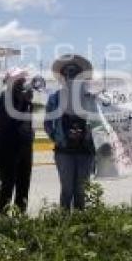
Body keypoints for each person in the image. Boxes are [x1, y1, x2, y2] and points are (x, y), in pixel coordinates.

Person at [44, 55, 98, 210]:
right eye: (68, 72)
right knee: (67, 190)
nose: (71, 75)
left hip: (85, 151)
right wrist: (57, 137)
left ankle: (80, 227)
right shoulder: (55, 98)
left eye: (75, 72)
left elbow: (99, 121)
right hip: (64, 151)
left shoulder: (90, 97)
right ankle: (64, 226)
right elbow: (48, 122)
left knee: (81, 191)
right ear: (63, 76)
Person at [0, 68, 34, 215]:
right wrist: (22, 101)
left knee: (24, 183)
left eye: (23, 80)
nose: (23, 83)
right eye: (19, 80)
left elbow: (27, 123)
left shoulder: (26, 100)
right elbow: (8, 122)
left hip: (25, 148)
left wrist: (27, 101)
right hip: (8, 149)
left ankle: (20, 213)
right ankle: (2, 216)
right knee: (8, 184)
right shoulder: (3, 98)